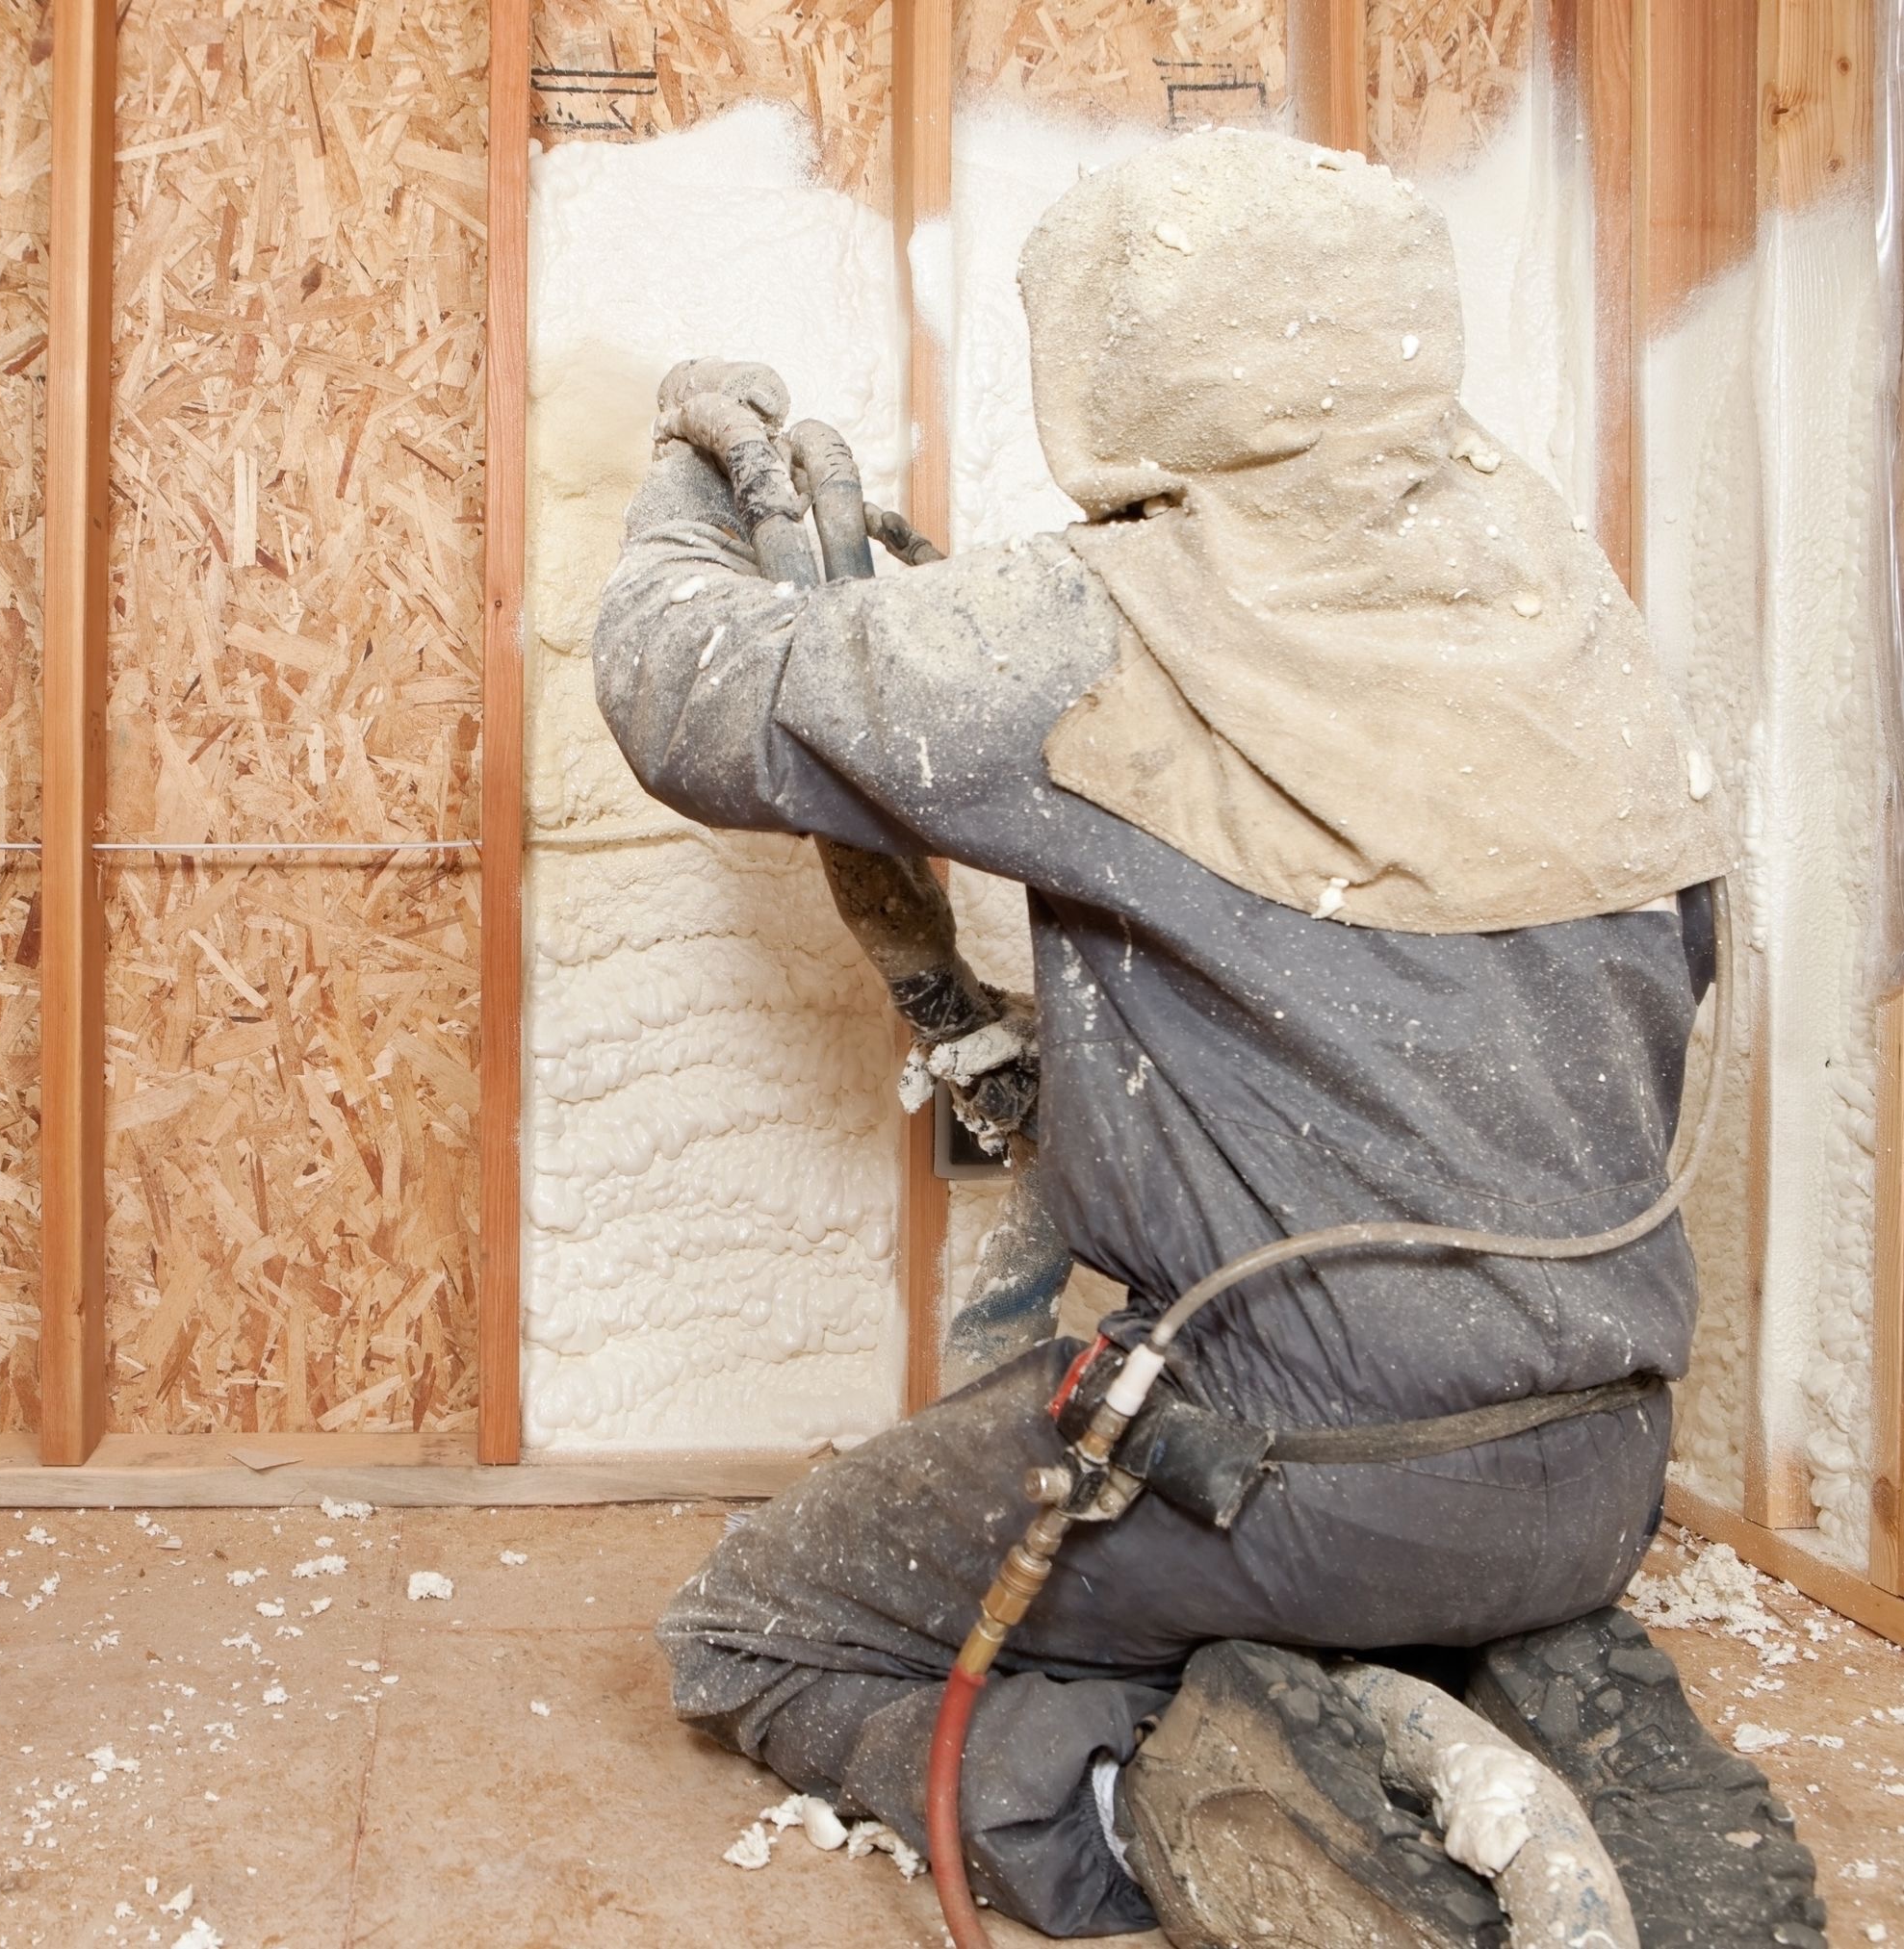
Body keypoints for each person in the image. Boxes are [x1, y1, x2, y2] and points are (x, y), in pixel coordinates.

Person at [590, 128, 1822, 1947]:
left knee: (753, 1634)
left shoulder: (1104, 628)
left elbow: (683, 688)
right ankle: (1483, 1690)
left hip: (1300, 1480)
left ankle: (1159, 1805)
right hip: (1593, 1466)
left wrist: (687, 476)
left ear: (1117, 351)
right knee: (1382, 1522)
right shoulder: (1557, 602)